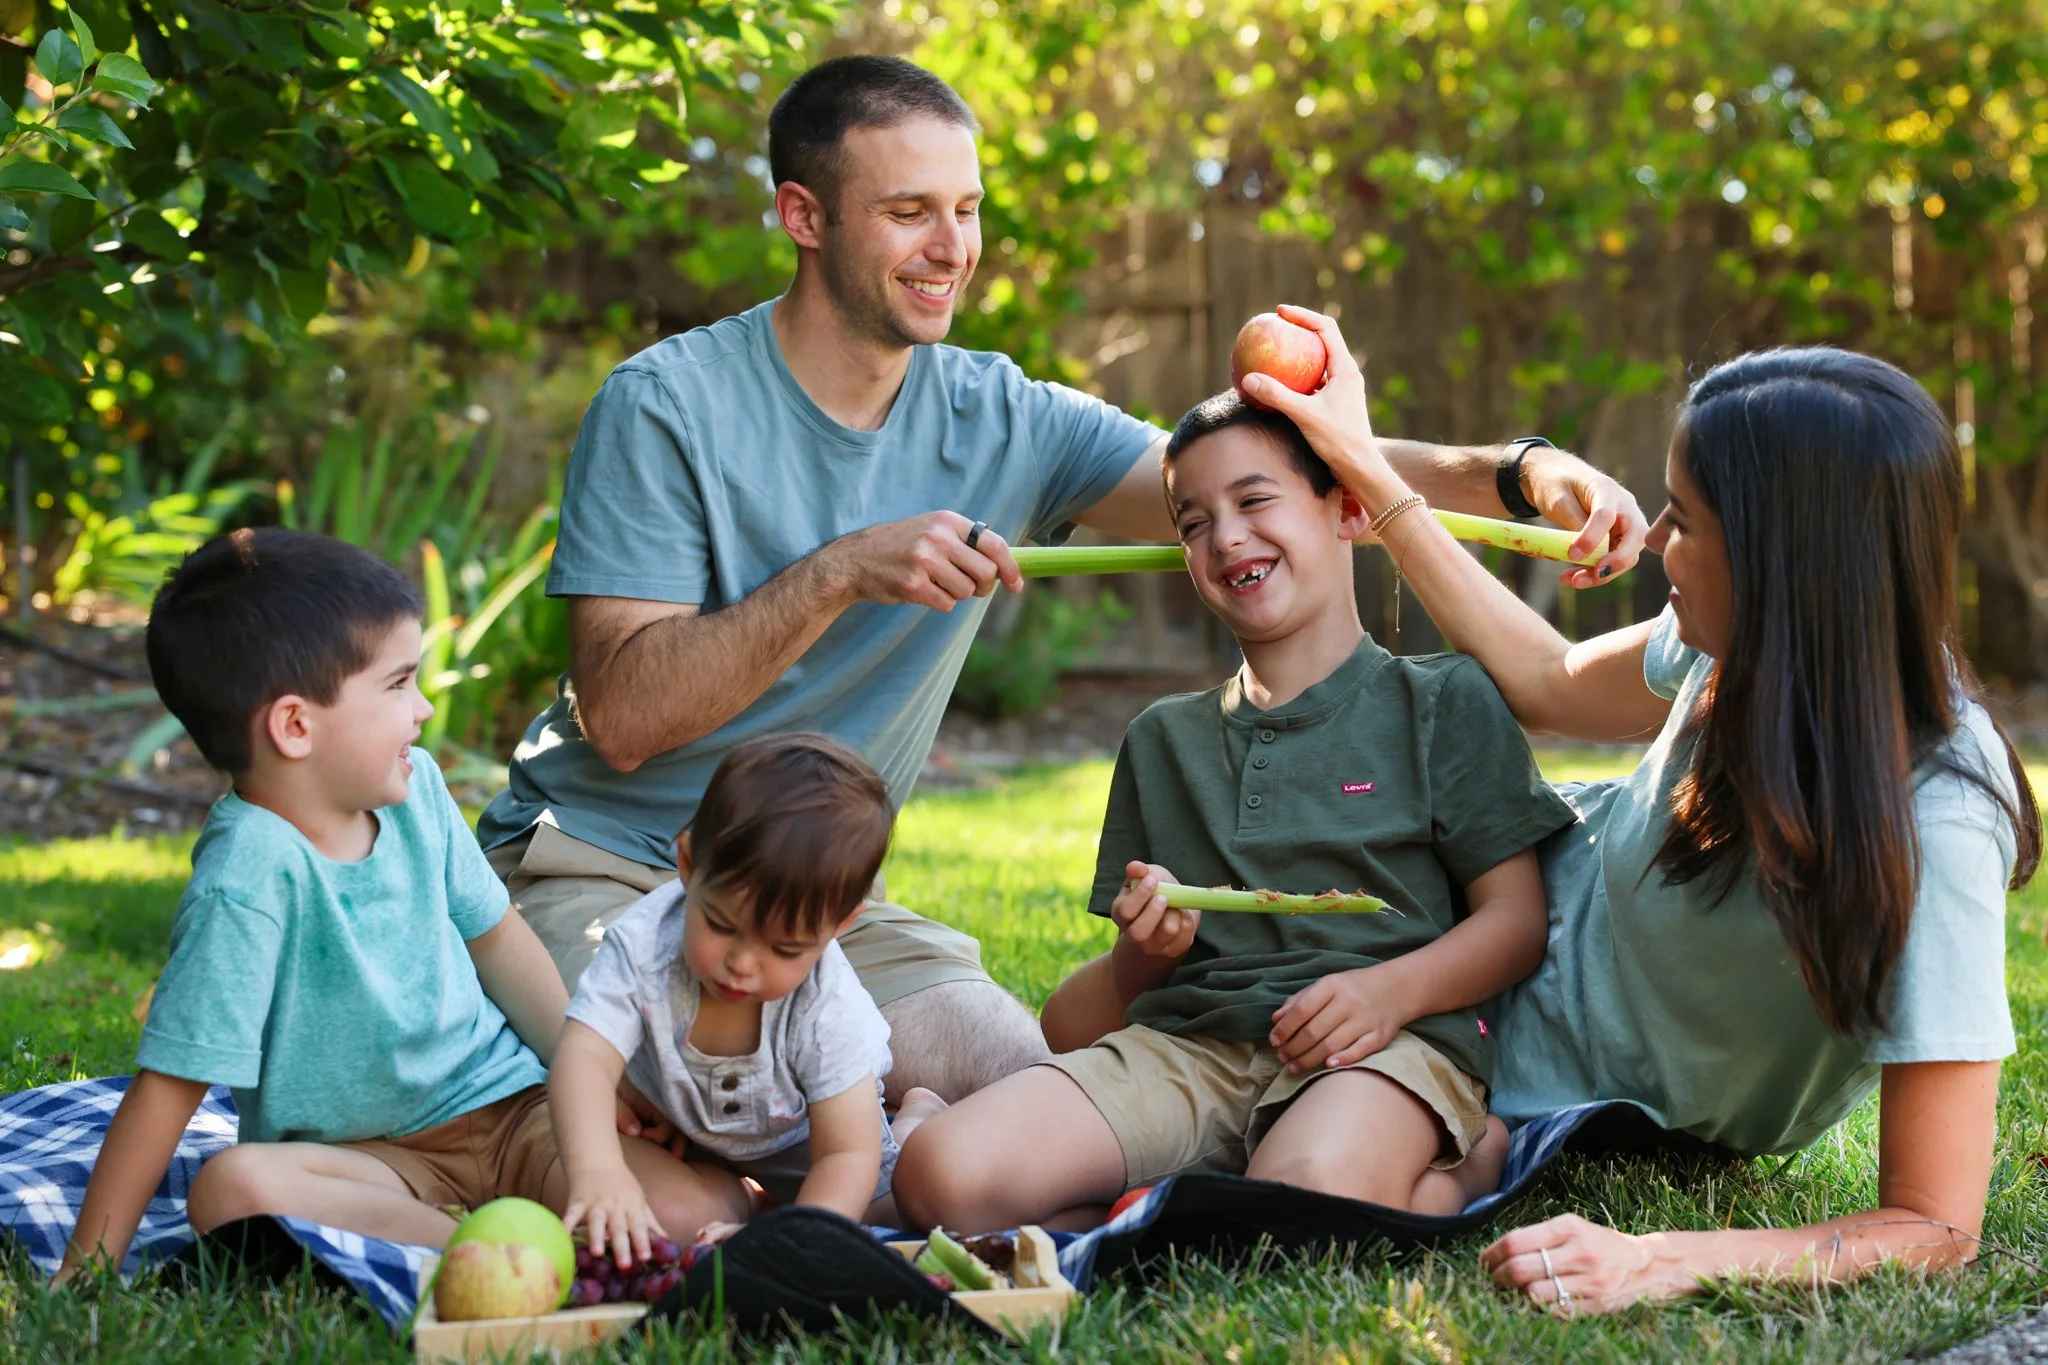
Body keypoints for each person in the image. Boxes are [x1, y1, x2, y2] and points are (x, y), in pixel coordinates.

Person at [475, 53, 1651, 1108]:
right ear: (802, 216)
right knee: (697, 1102)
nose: (951, 248)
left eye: (965, 209)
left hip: (819, 904)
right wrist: (837, 573)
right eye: (906, 213)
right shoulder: (665, 406)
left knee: (1019, 1092)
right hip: (614, 867)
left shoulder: (999, 414)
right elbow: (623, 718)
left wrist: (1518, 472)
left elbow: (1251, 479)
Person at [1222, 307, 2042, 1315]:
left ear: (1784, 566)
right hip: (1475, 904)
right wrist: (1365, 470)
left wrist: (1654, 1258)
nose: (1655, 542)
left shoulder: (1938, 821)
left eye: (1683, 520)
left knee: (1287, 1187)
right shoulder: (1748, 641)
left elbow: (1934, 1228)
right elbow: (1545, 679)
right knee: (1170, 980)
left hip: (1495, 1044)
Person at [889, 392, 1579, 1232]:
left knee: (1297, 1204)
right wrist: (1145, 952)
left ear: (1346, 510)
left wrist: (1386, 994)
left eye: (1254, 500)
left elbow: (1515, 922)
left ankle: (1456, 1166)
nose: (1225, 537)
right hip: (1189, 1052)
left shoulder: (1441, 700)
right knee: (940, 1173)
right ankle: (1218, 1195)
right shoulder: (1164, 741)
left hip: (1379, 1050)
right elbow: (1096, 1011)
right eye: (1193, 522)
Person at [56, 529, 620, 1281]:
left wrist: (589, 1083)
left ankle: (513, 1255)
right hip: (366, 1164)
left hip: (511, 1107)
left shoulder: (417, 788)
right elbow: (171, 1084)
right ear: (296, 725)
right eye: (398, 684)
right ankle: (488, 1258)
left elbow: (498, 940)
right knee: (230, 1189)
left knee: (683, 1204)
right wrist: (87, 1266)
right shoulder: (247, 880)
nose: (423, 708)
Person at [549, 733, 946, 1264]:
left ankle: (915, 1119)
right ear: (688, 863)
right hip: (683, 1121)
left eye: (783, 949)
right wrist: (597, 1172)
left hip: (805, 1138)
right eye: (721, 925)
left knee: (890, 1212)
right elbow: (583, 1056)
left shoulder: (828, 1004)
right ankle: (748, 1199)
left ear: (839, 924)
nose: (742, 963)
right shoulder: (644, 944)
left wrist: (790, 1241)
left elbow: (846, 1154)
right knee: (659, 1218)